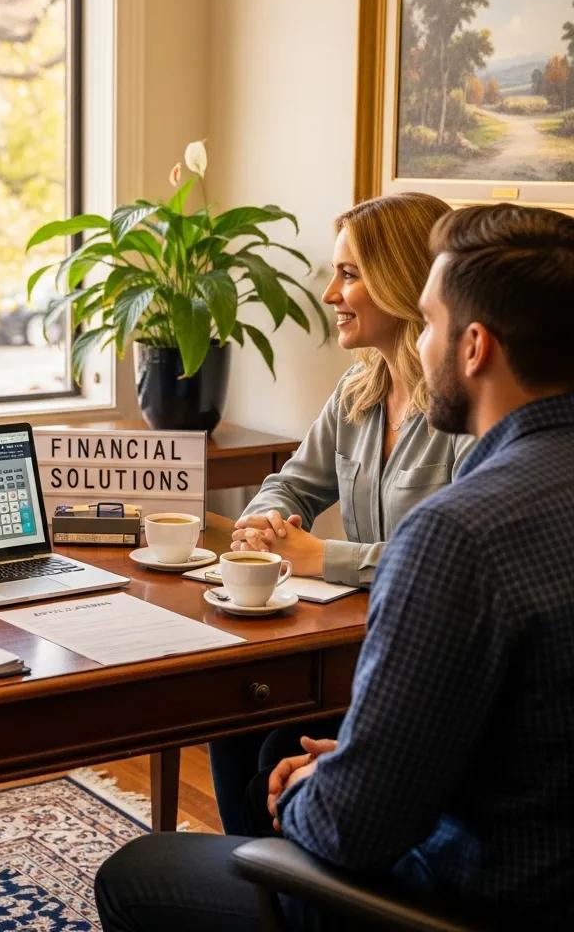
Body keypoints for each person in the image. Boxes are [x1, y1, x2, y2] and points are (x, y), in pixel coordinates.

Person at [95, 202, 574, 931]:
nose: (423, 341)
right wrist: (355, 761)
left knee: (136, 872)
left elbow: (355, 828)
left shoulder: (460, 533)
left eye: (430, 321)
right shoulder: (376, 404)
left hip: (472, 896)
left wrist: (307, 790)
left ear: (473, 347)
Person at [211, 192, 474, 834]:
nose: (331, 294)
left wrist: (321, 556)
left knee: (277, 745)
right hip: (349, 637)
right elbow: (292, 484)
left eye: (349, 274)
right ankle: (249, 868)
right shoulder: (357, 391)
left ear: (403, 281)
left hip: (419, 658)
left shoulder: (466, 411)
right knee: (229, 714)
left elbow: (457, 563)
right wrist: (264, 523)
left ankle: (282, 867)